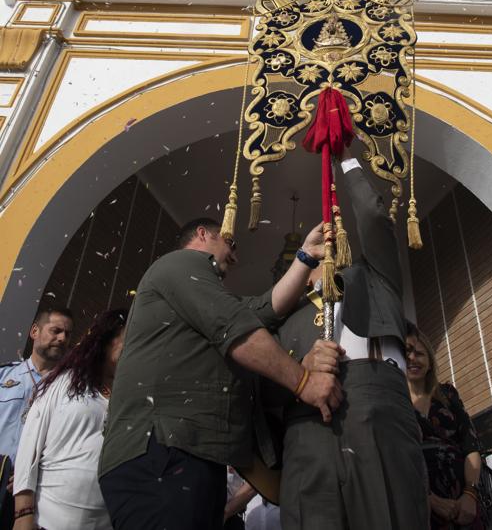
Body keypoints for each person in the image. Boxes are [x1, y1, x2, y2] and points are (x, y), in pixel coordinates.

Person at [99, 217, 342, 530]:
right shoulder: (179, 263)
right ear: (203, 235)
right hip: (160, 451)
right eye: (231, 244)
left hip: (189, 453)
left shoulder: (196, 293)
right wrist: (303, 381)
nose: (236, 256)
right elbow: (235, 328)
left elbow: (263, 310)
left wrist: (306, 256)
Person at [273, 155, 429, 530]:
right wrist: (299, 375)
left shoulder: (374, 277)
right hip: (305, 426)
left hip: (373, 402)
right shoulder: (281, 321)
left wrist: (343, 159)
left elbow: (375, 218)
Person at [12, 308, 127, 530]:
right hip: (45, 522)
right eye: (128, 338)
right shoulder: (64, 382)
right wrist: (23, 513)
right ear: (106, 340)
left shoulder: (133, 397)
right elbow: (29, 446)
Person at [0, 306, 73, 529]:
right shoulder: (3, 376)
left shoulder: (71, 391)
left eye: (67, 335)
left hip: (33, 498)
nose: (62, 339)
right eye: (56, 331)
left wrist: (30, 478)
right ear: (34, 331)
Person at [406, 326, 485, 529]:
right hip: (420, 506)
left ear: (430, 362)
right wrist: (430, 501)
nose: (413, 358)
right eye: (407, 352)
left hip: (464, 505)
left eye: (420, 354)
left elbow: (471, 446)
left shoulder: (447, 394)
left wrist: (470, 494)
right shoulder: (394, 403)